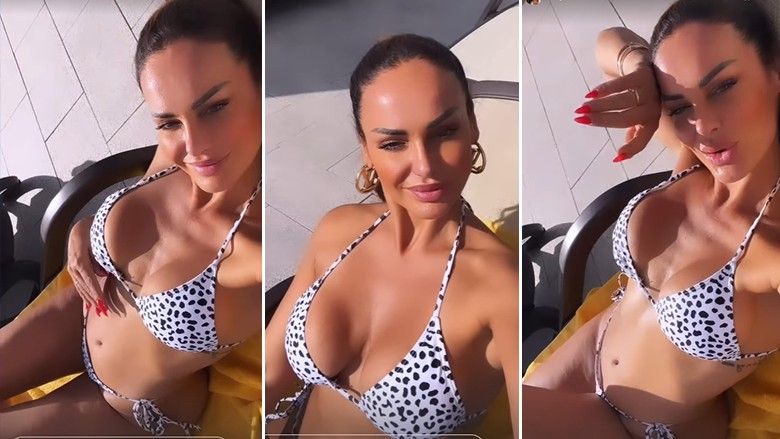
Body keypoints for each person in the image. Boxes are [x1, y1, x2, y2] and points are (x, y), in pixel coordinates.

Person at [0, 0, 261, 436]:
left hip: (128, 405)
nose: (193, 145)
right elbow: (143, 200)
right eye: (169, 121)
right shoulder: (177, 156)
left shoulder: (253, 249)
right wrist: (82, 233)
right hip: (80, 313)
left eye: (215, 107)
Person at [523, 0, 780, 437]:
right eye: (678, 106)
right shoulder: (696, 160)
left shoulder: (771, 249)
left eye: (723, 87)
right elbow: (609, 42)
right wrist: (640, 68)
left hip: (643, 425)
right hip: (587, 355)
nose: (703, 124)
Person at [265, 34, 519, 437]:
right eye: (394, 142)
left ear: (472, 126)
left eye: (444, 132)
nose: (424, 166)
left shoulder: (500, 287)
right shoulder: (337, 230)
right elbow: (269, 375)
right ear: (366, 148)